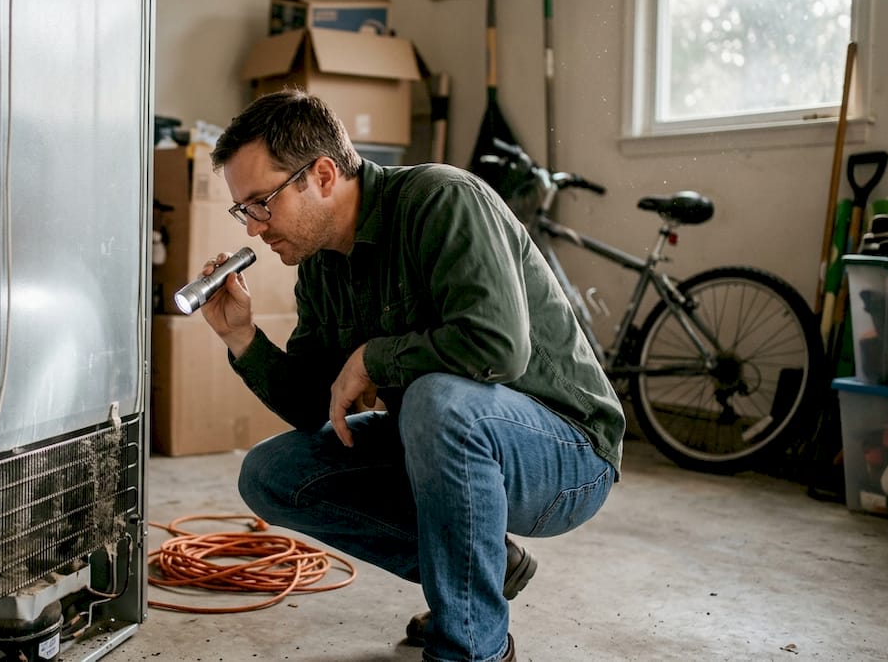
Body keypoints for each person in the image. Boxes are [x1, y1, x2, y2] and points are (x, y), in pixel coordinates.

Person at [195, 89, 625, 662]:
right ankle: (484, 569)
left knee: (436, 400)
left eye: (261, 202)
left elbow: (498, 347)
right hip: (444, 436)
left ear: (323, 174)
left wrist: (373, 358)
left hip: (568, 453)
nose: (253, 228)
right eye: (243, 210)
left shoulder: (442, 199)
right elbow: (312, 408)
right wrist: (242, 337)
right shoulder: (322, 264)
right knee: (272, 474)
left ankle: (472, 646)